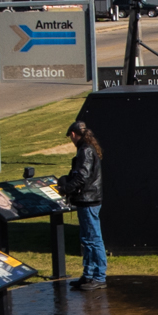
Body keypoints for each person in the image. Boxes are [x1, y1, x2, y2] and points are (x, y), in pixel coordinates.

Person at [56, 118, 106, 284]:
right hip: (89, 199)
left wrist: (65, 189)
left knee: (93, 239)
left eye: (70, 137)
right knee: (87, 239)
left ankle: (98, 277)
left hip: (88, 200)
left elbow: (82, 177)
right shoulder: (89, 148)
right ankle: (88, 274)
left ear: (73, 134)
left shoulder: (85, 150)